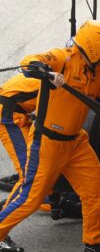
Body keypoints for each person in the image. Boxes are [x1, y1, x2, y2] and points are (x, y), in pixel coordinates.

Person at [0, 20, 100, 252]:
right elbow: (29, 61)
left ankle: (94, 243)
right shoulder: (63, 58)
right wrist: (47, 73)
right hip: (48, 143)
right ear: (93, 48)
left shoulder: (94, 70)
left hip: (76, 142)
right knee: (31, 198)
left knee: (96, 186)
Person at [0, 74, 82, 222]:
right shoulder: (62, 83)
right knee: (29, 175)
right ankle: (2, 228)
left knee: (42, 162)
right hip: (7, 117)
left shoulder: (64, 76)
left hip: (19, 111)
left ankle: (57, 204)